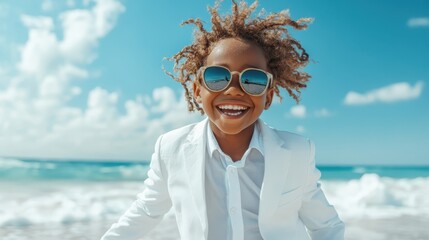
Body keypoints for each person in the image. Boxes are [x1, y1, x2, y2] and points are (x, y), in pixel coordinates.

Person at [101, 1, 345, 239]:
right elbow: (144, 211)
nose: (234, 90)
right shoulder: (170, 149)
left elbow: (326, 226)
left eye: (253, 79)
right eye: (218, 77)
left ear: (268, 96)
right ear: (198, 90)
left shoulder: (297, 152)